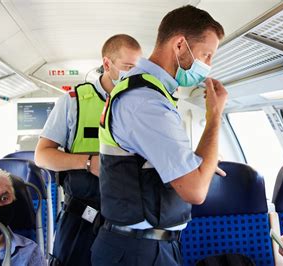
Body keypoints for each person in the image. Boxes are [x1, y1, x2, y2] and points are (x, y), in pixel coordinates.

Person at [92, 5, 227, 266]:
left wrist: (204, 164)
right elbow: (195, 191)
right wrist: (215, 114)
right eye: (206, 55)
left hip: (145, 246)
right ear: (179, 45)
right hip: (136, 252)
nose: (208, 65)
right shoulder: (146, 101)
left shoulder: (150, 90)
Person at [34, 34, 142, 265]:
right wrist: (88, 162)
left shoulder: (143, 104)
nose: (133, 74)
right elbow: (42, 155)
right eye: (128, 67)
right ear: (107, 64)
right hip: (82, 217)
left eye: (137, 68)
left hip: (130, 219)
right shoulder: (73, 101)